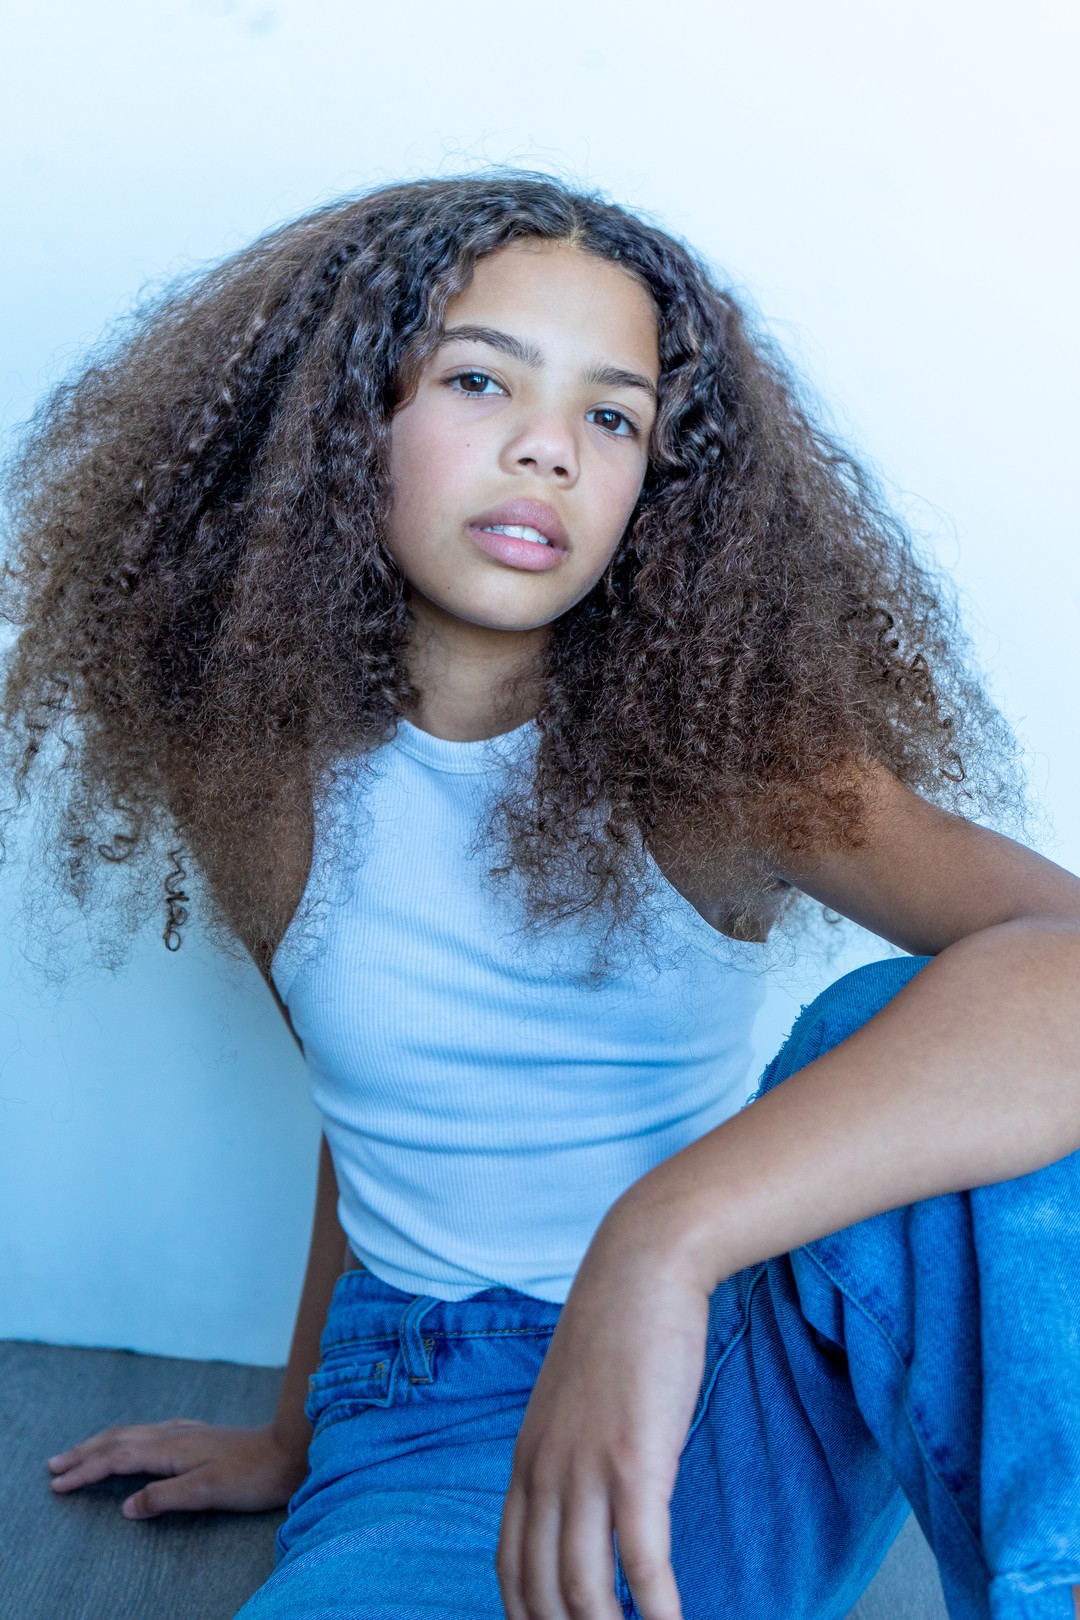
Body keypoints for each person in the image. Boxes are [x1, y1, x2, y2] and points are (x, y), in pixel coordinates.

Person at [4, 173, 1080, 1620]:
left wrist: (662, 1242)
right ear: (341, 424)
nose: (547, 449)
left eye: (613, 417)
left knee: (933, 1025)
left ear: (662, 486)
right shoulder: (250, 770)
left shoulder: (728, 762)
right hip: (432, 1414)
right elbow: (367, 1110)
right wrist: (290, 1433)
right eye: (478, 379)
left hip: (725, 1371)